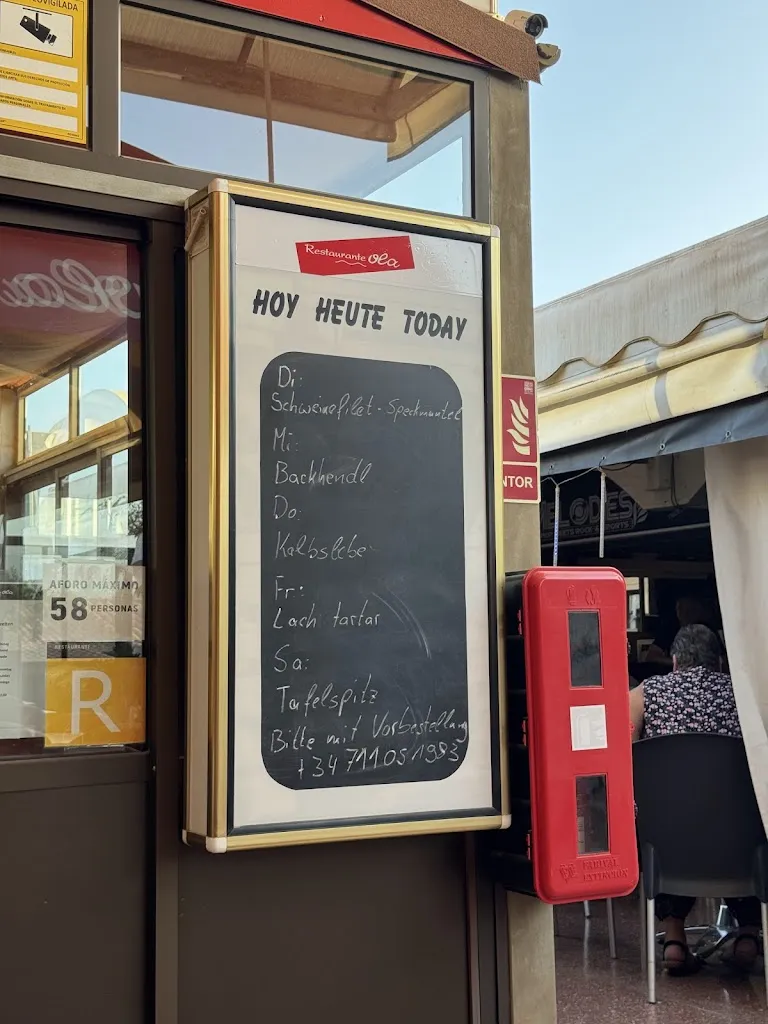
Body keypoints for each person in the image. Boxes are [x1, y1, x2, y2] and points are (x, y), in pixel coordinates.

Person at [629, 624, 760, 975]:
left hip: (669, 848)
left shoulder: (644, 694)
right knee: (747, 817)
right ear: (719, 661)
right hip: (737, 847)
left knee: (666, 816)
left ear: (673, 662)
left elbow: (618, 752)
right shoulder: (748, 696)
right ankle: (748, 932)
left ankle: (674, 937)